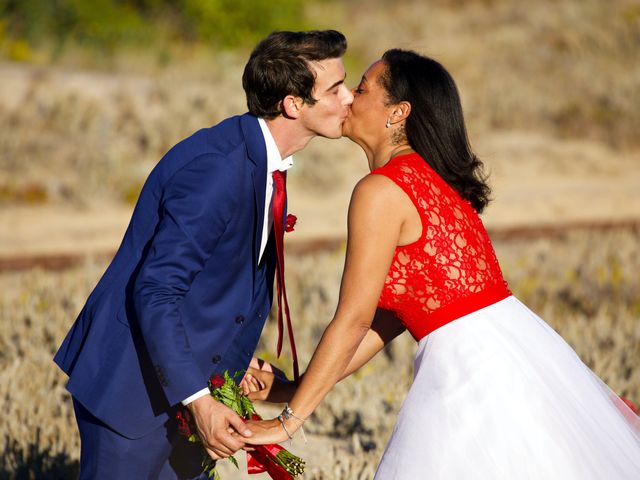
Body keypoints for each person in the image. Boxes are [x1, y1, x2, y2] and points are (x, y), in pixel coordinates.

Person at [243, 49, 640, 478]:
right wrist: (291, 390)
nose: (348, 100)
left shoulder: (380, 190)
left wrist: (289, 422)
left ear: (398, 112)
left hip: (470, 372)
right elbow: (387, 319)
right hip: (512, 350)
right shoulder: (433, 179)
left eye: (360, 89)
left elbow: (353, 320)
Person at [53, 30, 353, 479]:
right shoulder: (219, 169)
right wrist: (200, 401)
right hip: (132, 393)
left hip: (183, 386)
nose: (348, 98)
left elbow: (215, 282)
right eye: (334, 88)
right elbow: (155, 289)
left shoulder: (259, 160)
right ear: (293, 104)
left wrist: (230, 361)